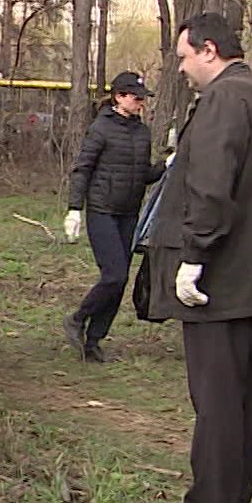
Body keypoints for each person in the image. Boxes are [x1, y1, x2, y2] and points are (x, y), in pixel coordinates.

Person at [137, 12, 252, 503]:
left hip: (224, 279)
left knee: (215, 399)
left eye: (185, 57)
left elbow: (212, 184)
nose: (183, 69)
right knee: (241, 397)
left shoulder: (224, 101)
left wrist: (195, 254)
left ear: (209, 50)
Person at [63, 72, 161, 362]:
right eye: (135, 97)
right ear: (119, 97)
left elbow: (142, 175)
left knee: (120, 281)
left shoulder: (142, 132)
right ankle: (78, 318)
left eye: (143, 98)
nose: (140, 102)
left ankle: (94, 341)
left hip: (129, 214)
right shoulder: (100, 129)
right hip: (102, 210)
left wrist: (166, 165)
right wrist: (74, 208)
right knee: (114, 274)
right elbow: (83, 168)